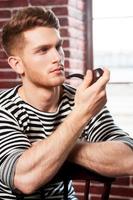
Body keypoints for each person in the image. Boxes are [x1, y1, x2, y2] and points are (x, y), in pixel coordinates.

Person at [0, 6, 133, 200]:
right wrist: (80, 115)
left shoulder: (81, 100)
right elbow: (25, 179)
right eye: (43, 50)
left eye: (58, 46)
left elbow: (128, 159)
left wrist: (65, 147)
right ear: (17, 64)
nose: (57, 57)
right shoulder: (4, 107)